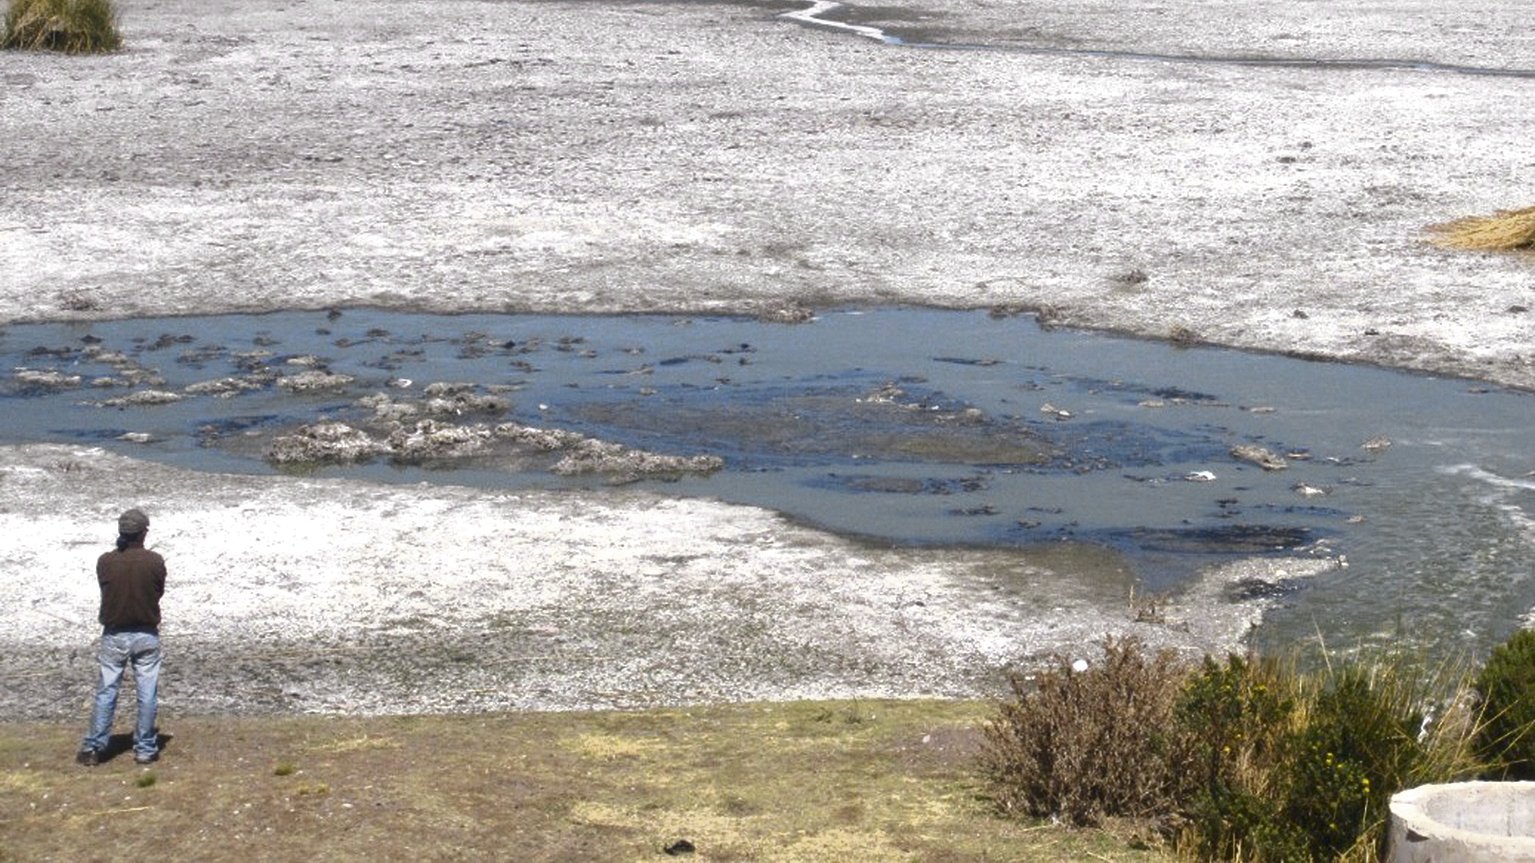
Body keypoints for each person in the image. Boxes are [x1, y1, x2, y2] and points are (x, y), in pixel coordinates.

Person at [76, 508, 167, 766]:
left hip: (114, 633)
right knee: (147, 693)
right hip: (146, 632)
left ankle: (94, 747)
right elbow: (157, 591)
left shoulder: (105, 561)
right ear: (143, 533)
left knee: (107, 691)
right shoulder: (155, 561)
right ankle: (146, 748)